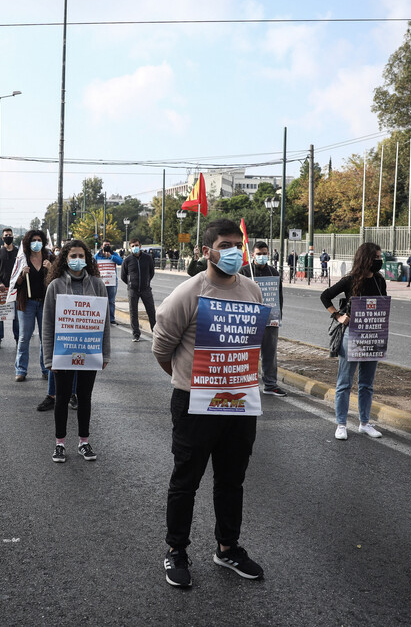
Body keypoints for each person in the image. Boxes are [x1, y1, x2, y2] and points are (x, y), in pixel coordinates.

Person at [152, 218, 265, 589]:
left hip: (239, 405)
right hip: (194, 404)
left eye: (238, 244)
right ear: (207, 251)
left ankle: (227, 547)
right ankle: (176, 550)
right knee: (186, 481)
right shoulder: (187, 294)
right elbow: (162, 349)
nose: (234, 251)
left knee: (232, 480)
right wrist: (188, 380)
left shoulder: (252, 291)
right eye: (226, 245)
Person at [42, 239, 110, 463]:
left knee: (85, 398)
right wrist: (49, 358)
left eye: (81, 256)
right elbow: (48, 324)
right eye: (73, 256)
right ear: (64, 259)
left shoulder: (98, 285)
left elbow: (104, 323)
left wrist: (105, 353)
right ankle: (59, 444)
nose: (77, 260)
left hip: (89, 353)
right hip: (63, 352)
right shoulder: (55, 286)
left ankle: (84, 442)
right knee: (61, 398)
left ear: (87, 258)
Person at [320, 242, 387, 440]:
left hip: (373, 335)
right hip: (352, 335)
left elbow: (382, 304)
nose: (379, 261)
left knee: (367, 384)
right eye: (376, 258)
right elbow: (325, 296)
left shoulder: (379, 280)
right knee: (345, 383)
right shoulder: (350, 280)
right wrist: (338, 316)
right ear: (366, 259)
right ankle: (341, 424)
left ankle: (364, 423)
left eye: (379, 258)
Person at [239, 241, 287, 397]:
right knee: (248, 353)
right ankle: (245, 383)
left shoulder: (274, 273)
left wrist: (277, 316)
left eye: (264, 253)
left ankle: (270, 384)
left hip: (270, 319)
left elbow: (278, 297)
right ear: (253, 254)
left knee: (270, 352)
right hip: (249, 320)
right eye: (259, 254)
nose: (262, 256)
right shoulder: (244, 272)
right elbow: (237, 294)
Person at [14, 229, 54, 383]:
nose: (36, 243)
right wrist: (22, 275)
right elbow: (15, 284)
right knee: (24, 337)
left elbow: (59, 279)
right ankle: (21, 370)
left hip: (45, 303)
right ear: (27, 243)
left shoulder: (49, 258)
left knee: (46, 338)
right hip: (27, 304)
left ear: (43, 242)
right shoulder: (22, 259)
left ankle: (46, 368)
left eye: (38, 240)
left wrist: (51, 269)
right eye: (33, 240)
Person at [0, 228, 20, 349]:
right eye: (6, 235)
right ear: (2, 238)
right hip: (0, 290)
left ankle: (18, 339)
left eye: (10, 235)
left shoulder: (19, 253)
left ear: (13, 237)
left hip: (15, 289)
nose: (8, 237)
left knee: (17, 316)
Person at [121, 238, 156, 342]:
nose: (135, 247)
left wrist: (146, 282)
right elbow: (123, 276)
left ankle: (155, 332)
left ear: (140, 246)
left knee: (151, 311)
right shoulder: (127, 260)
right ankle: (136, 334)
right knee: (133, 312)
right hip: (133, 290)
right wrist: (131, 284)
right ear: (130, 247)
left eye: (136, 245)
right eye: (132, 246)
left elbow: (151, 272)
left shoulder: (147, 258)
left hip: (146, 289)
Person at [94, 239, 123, 325]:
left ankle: (111, 319)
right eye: (105, 245)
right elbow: (93, 265)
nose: (107, 246)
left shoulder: (114, 254)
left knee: (111, 301)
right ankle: (101, 318)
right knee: (100, 300)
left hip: (112, 281)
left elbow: (120, 262)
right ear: (102, 246)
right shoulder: (97, 255)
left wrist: (111, 256)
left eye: (108, 245)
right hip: (101, 281)